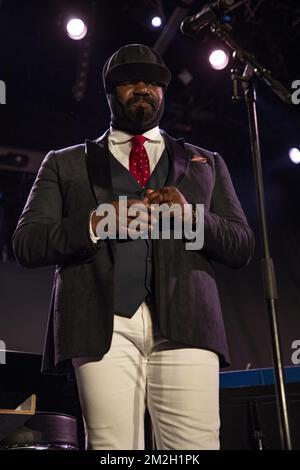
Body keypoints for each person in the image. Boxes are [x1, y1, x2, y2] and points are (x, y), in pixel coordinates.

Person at [13, 44, 255, 450]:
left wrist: (192, 217)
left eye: (152, 82)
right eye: (129, 81)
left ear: (164, 92)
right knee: (113, 448)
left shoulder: (206, 162)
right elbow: (27, 242)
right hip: (101, 324)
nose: (142, 88)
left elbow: (241, 245)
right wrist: (95, 222)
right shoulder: (64, 162)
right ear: (110, 93)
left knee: (193, 448)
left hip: (189, 323)